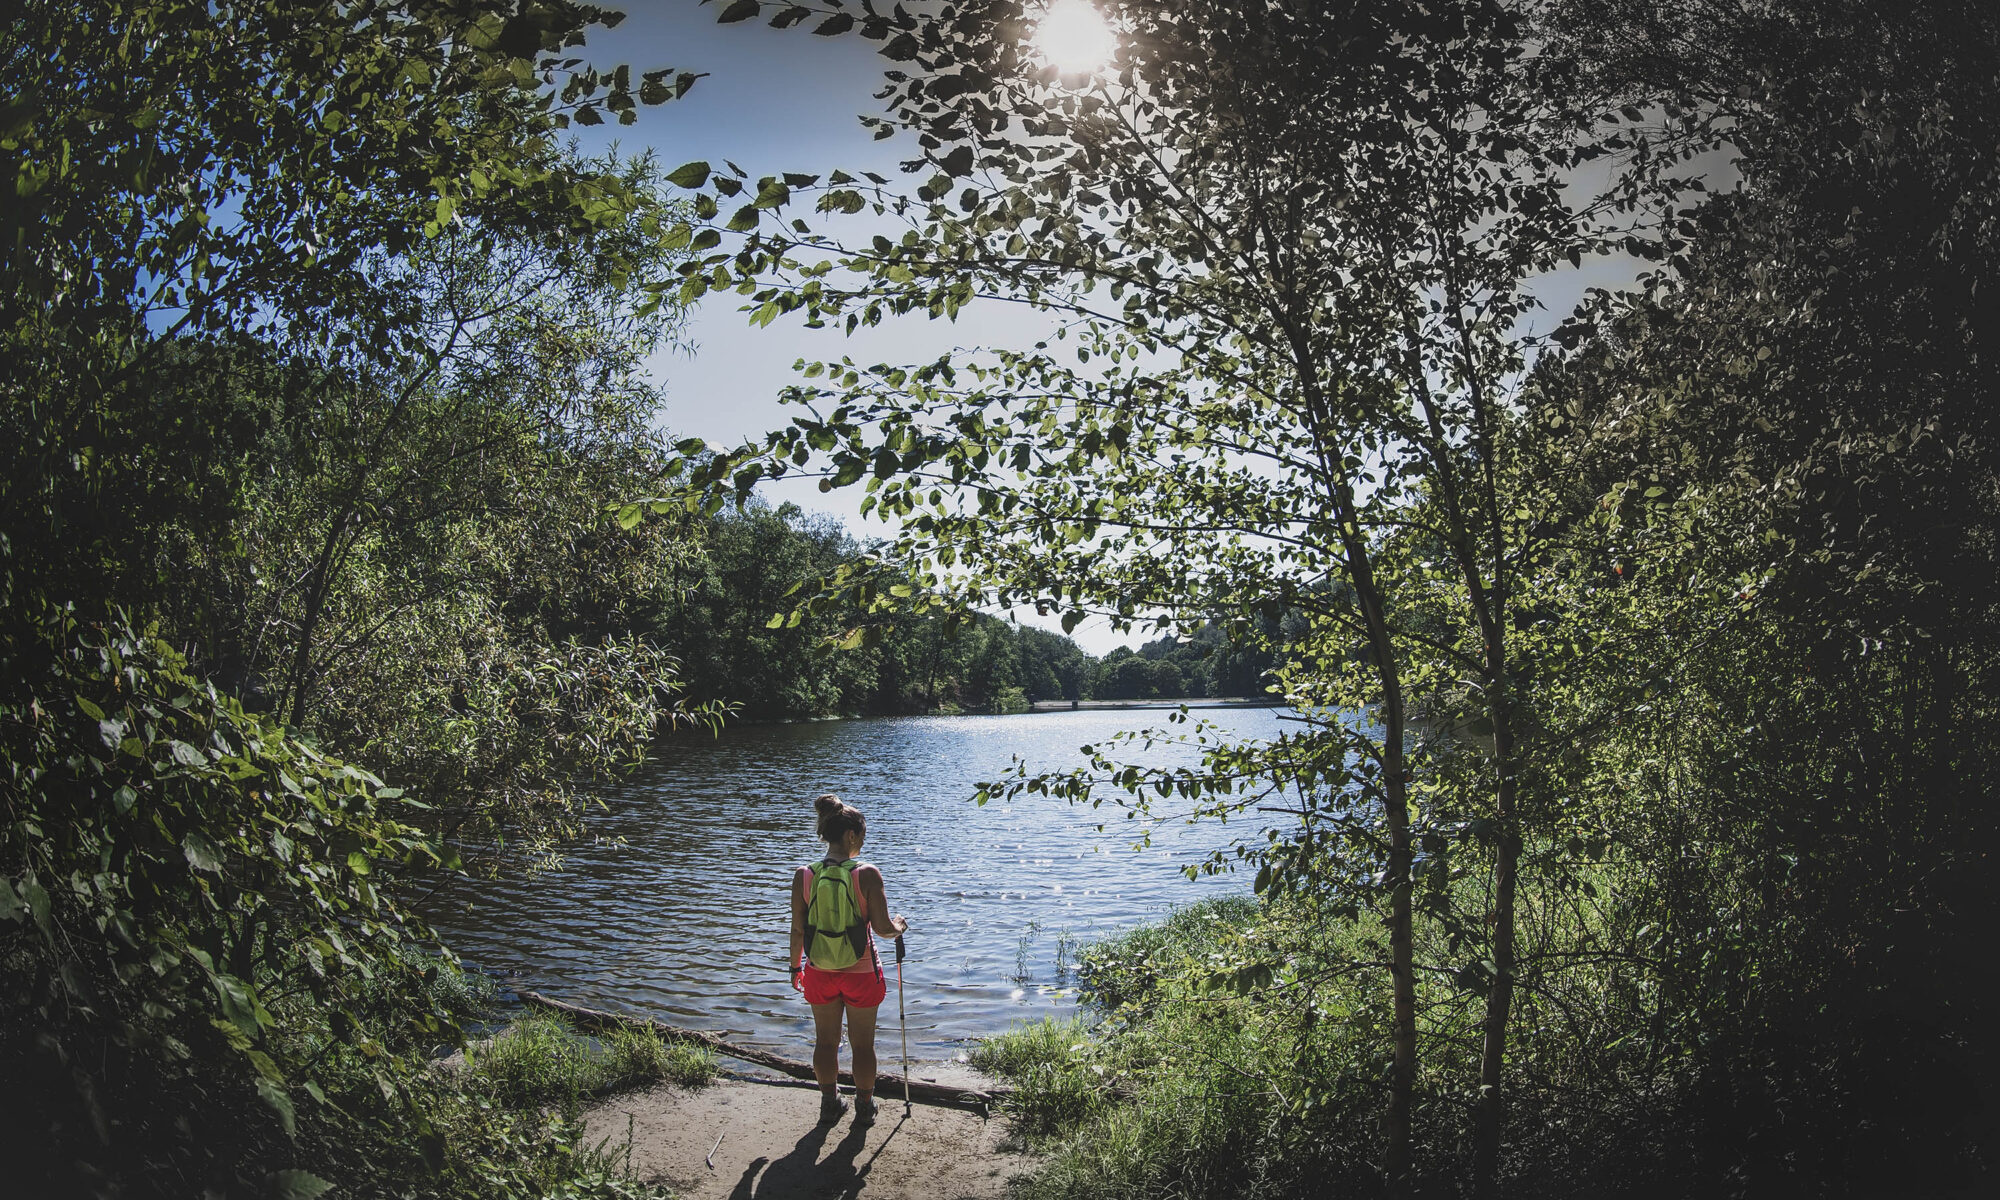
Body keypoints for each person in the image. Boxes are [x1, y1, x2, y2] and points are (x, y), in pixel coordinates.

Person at [791, 792, 908, 1127]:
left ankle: (829, 1103)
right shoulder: (867, 873)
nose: (863, 843)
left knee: (825, 1041)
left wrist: (794, 967)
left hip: (818, 971)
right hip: (861, 973)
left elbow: (798, 930)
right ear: (850, 835)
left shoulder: (805, 875)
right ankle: (864, 1105)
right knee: (863, 1045)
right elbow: (884, 929)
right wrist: (900, 925)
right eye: (862, 836)